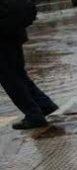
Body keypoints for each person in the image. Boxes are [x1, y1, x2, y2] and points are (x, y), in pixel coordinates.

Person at [0, 0, 58, 129]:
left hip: (3, 34)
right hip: (13, 30)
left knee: (9, 78)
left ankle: (34, 116)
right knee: (17, 73)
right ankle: (44, 104)